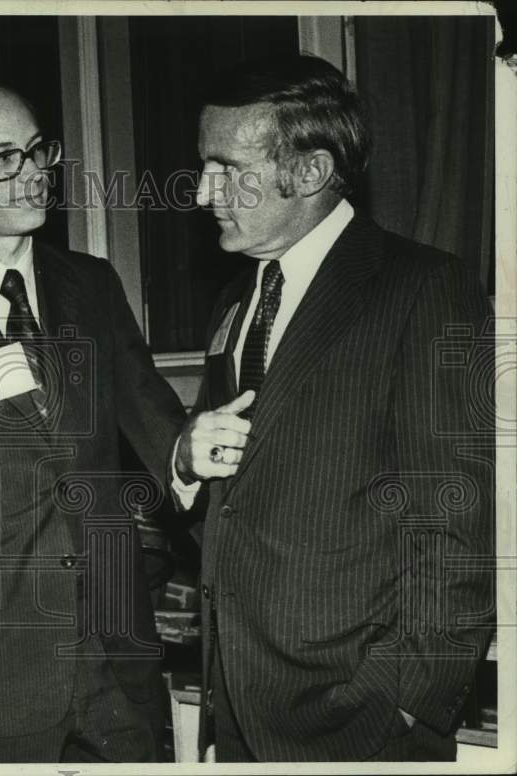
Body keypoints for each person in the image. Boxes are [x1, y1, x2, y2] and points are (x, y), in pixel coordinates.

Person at [0, 78, 238, 764]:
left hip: (119, 661)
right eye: (1, 159)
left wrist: (188, 449)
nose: (30, 175)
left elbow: (156, 423)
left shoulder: (91, 285)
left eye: (36, 152)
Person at [175, 54, 495, 761]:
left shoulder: (423, 289)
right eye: (205, 167)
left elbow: (459, 522)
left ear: (312, 172)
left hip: (363, 718)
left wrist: (408, 699)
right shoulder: (237, 299)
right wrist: (187, 461)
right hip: (238, 710)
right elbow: (234, 498)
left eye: (228, 169)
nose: (204, 193)